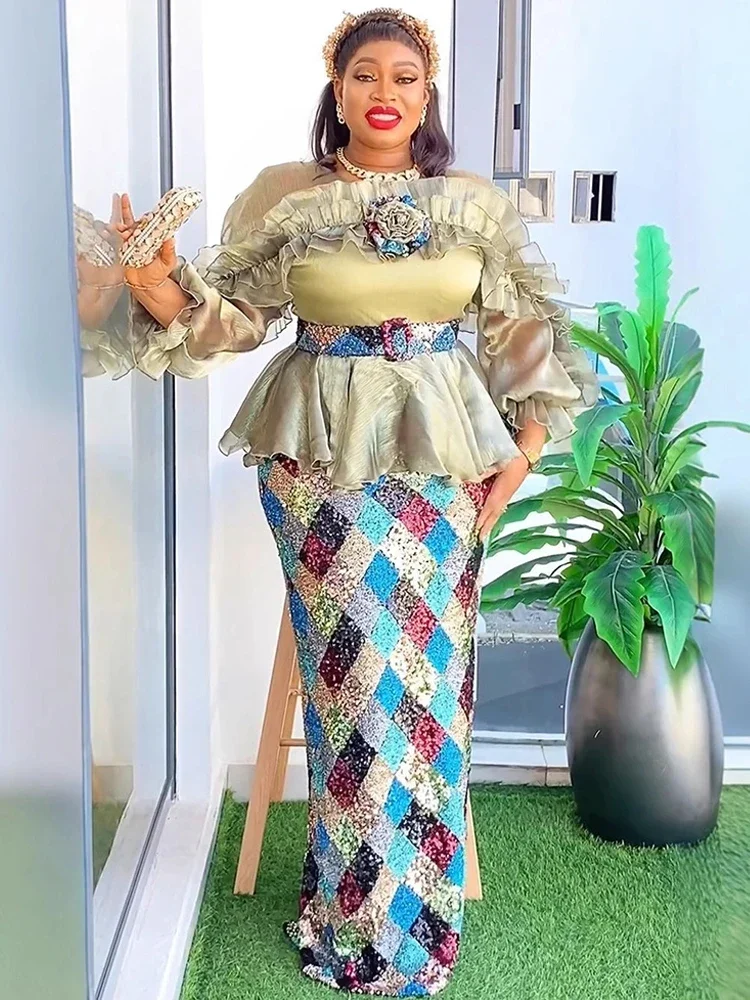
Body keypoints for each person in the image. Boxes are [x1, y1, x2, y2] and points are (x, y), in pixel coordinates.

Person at [117, 8, 598, 995]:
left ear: (426, 96)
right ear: (336, 88)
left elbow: (522, 333)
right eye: (365, 74)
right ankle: (354, 918)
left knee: (425, 687)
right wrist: (157, 284)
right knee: (358, 685)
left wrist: (519, 462)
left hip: (446, 468)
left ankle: (412, 924)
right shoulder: (285, 194)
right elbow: (230, 321)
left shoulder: (470, 203)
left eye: (405, 78)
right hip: (319, 468)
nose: (385, 93)